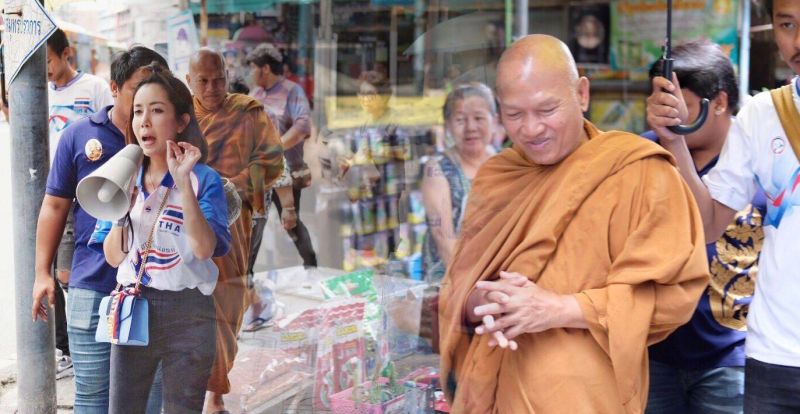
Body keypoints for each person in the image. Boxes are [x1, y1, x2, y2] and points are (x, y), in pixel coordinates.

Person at [437, 34, 709, 413]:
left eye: (546, 110)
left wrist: (559, 308)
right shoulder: (497, 178)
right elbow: (458, 290)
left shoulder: (638, 172)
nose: (531, 129)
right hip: (502, 393)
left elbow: (674, 295)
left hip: (591, 400)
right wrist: (489, 302)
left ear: (582, 94)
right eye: (514, 115)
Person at [646, 0, 800, 410]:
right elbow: (708, 224)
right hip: (773, 356)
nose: (798, 41)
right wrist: (674, 140)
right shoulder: (762, 116)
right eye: (787, 24)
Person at [32, 46, 167, 413]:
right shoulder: (79, 136)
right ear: (114, 88)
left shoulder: (173, 142)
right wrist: (42, 272)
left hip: (157, 289)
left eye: (158, 90)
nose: (147, 100)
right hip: (92, 285)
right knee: (92, 398)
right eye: (138, 89)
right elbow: (55, 205)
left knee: (151, 398)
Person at [95, 65, 231, 413]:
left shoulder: (203, 180)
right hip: (133, 303)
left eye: (156, 111)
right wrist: (121, 208)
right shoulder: (122, 174)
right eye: (138, 111)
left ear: (181, 121)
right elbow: (113, 256)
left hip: (189, 312)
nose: (144, 122)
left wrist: (182, 183)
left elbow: (204, 249)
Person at [642, 40, 763, 414]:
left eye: (683, 108)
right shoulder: (645, 154)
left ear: (720, 102)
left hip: (731, 355)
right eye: (661, 104)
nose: (669, 118)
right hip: (655, 350)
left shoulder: (758, 160)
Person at [186, 48, 284, 414]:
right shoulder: (180, 114)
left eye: (219, 80)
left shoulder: (248, 111)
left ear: (228, 77)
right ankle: (186, 391)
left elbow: (273, 161)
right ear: (189, 81)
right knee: (187, 305)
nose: (213, 88)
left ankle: (215, 393)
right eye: (203, 81)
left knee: (226, 302)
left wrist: (236, 185)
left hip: (232, 221)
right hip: (184, 219)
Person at [46, 28, 115, 380]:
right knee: (53, 274)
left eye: (48, 60)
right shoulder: (38, 92)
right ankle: (68, 348)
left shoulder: (94, 88)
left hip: (86, 194)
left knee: (71, 274)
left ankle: (85, 344)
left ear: (66, 54)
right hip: (53, 192)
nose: (45, 69)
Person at [246, 43, 318, 269]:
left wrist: (275, 147)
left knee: (291, 223)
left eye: (253, 67)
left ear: (265, 68)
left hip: (287, 171)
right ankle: (247, 276)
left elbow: (303, 126)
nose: (251, 73)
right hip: (258, 174)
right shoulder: (255, 95)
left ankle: (311, 267)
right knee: (254, 225)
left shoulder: (292, 91)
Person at [421, 83, 497, 282]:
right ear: (447, 126)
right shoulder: (437, 169)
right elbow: (443, 239)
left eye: (479, 118)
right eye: (460, 120)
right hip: (453, 279)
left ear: (495, 121)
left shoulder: (505, 162)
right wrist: (475, 286)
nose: (471, 127)